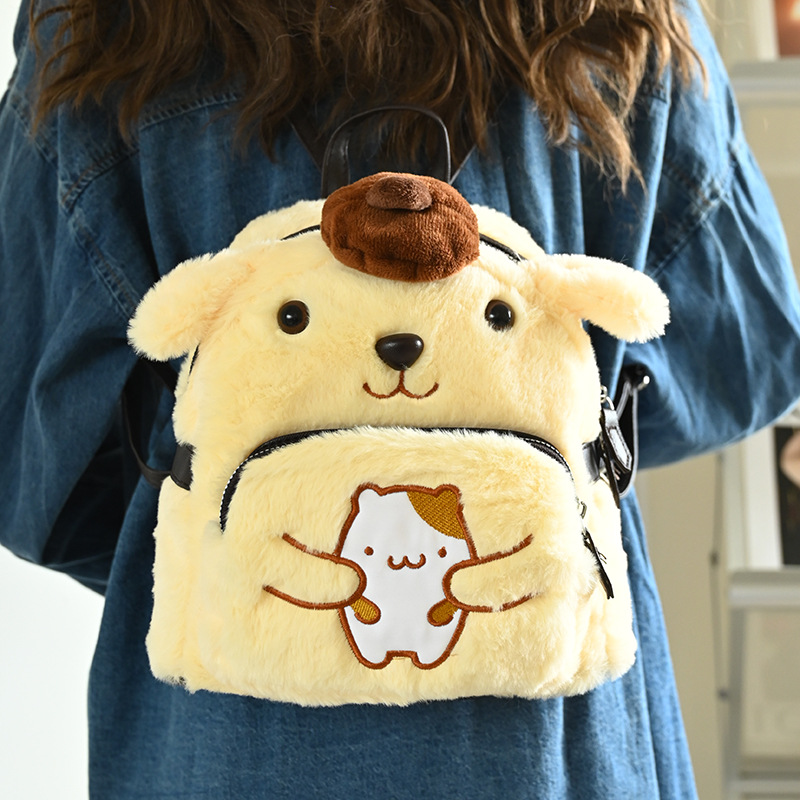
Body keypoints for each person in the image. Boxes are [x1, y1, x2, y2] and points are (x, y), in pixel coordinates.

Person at [2, 1, 800, 797]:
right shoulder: (620, 18)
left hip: (223, 746)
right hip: (555, 745)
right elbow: (739, 355)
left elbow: (32, 457)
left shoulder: (105, 22)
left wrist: (239, 530)